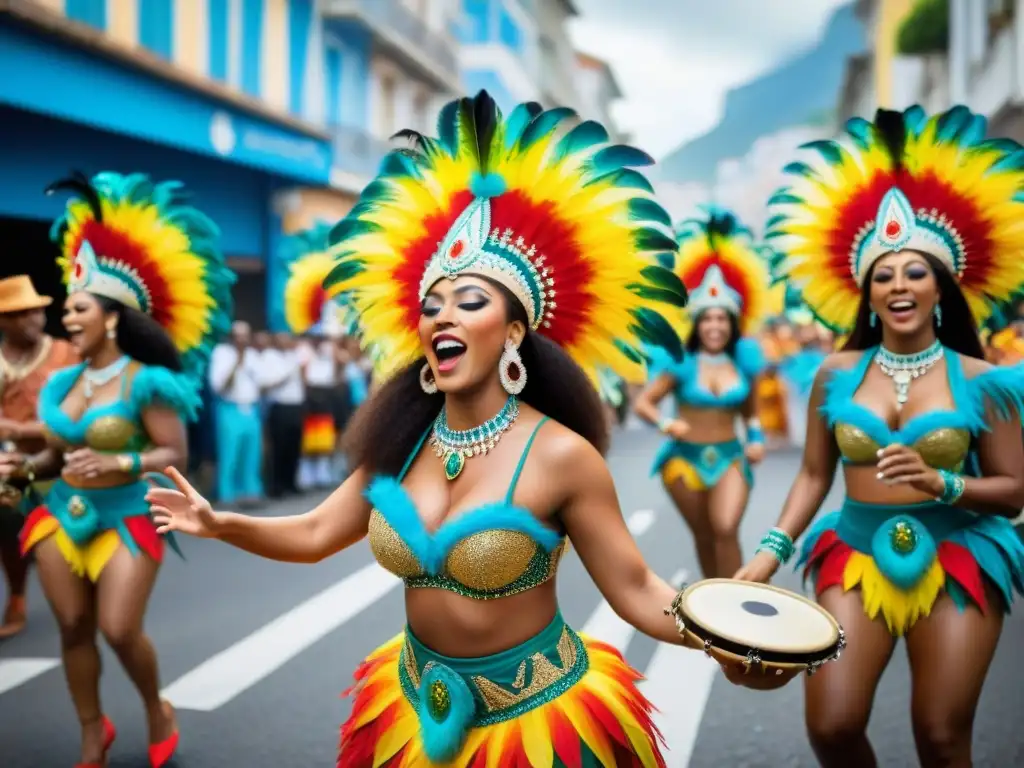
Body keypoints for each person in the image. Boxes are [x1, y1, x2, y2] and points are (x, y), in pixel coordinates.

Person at [146, 91, 774, 766]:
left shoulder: (561, 455)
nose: (441, 317)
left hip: (536, 724)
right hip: (414, 708)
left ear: (512, 333)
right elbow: (315, 531)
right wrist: (221, 524)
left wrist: (723, 641)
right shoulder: (404, 440)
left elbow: (638, 590)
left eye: (468, 302)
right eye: (430, 305)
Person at [737, 105, 1024, 768]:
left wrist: (942, 482)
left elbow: (1013, 493)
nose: (898, 284)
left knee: (941, 735)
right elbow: (813, 474)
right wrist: (770, 553)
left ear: (941, 290)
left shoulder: (985, 380)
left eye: (914, 272)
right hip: (854, 554)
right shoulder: (835, 373)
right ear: (867, 294)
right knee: (833, 727)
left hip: (958, 558)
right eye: (883, 275)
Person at [0, 171, 233, 768]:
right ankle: (90, 732)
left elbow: (173, 455)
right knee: (74, 629)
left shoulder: (146, 382)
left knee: (119, 629)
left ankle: (155, 706)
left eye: (77, 309)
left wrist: (120, 459)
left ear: (110, 317)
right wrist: (21, 474)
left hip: (127, 517)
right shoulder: (64, 383)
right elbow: (55, 455)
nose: (67, 319)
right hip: (61, 515)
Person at [633, 208, 769, 578]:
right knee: (705, 534)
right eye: (707, 318)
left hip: (730, 457)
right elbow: (643, 402)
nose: (714, 325)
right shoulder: (681, 362)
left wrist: (756, 439)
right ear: (697, 323)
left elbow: (751, 412)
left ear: (732, 322)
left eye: (721, 318)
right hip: (683, 462)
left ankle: (739, 601)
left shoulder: (744, 360)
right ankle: (715, 607)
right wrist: (665, 423)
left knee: (725, 528)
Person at [0, 274, 78, 638]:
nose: (31, 319)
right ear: (3, 320)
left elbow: (78, 421)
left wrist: (19, 430)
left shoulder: (66, 354)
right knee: (7, 512)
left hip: (65, 462)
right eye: (19, 313)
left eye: (35, 311)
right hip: (13, 467)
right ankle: (17, 595)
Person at [278, 222, 343, 490]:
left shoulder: (328, 348)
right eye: (317, 337)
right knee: (309, 437)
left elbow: (338, 368)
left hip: (326, 393)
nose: (320, 340)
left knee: (324, 436)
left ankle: (321, 474)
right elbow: (304, 374)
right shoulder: (304, 349)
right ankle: (306, 475)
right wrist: (308, 393)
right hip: (312, 394)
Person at [208, 321, 264, 506]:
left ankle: (251, 493)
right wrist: (236, 363)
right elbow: (219, 387)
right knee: (230, 454)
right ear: (231, 337)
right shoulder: (221, 354)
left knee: (251, 455)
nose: (242, 340)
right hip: (230, 409)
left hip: (251, 409)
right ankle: (227, 496)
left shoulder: (254, 355)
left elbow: (261, 382)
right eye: (238, 336)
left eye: (245, 335)